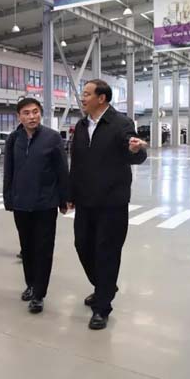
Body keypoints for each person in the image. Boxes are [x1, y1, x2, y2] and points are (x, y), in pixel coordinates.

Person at [68, 79, 148, 330]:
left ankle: (102, 307)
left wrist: (135, 150)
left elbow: (135, 152)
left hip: (112, 203)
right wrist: (70, 193)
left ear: (101, 98)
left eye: (87, 94)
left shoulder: (121, 123)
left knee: (107, 252)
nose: (82, 98)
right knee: (82, 245)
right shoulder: (81, 125)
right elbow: (76, 162)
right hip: (85, 201)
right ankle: (105, 286)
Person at [3, 98, 69, 314]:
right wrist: (8, 198)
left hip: (45, 204)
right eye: (26, 113)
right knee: (27, 248)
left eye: (35, 112)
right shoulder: (14, 139)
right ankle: (30, 284)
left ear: (40, 113)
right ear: (19, 117)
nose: (31, 116)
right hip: (21, 204)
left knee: (43, 249)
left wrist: (64, 199)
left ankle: (39, 294)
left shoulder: (52, 137)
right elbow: (9, 170)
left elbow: (62, 170)